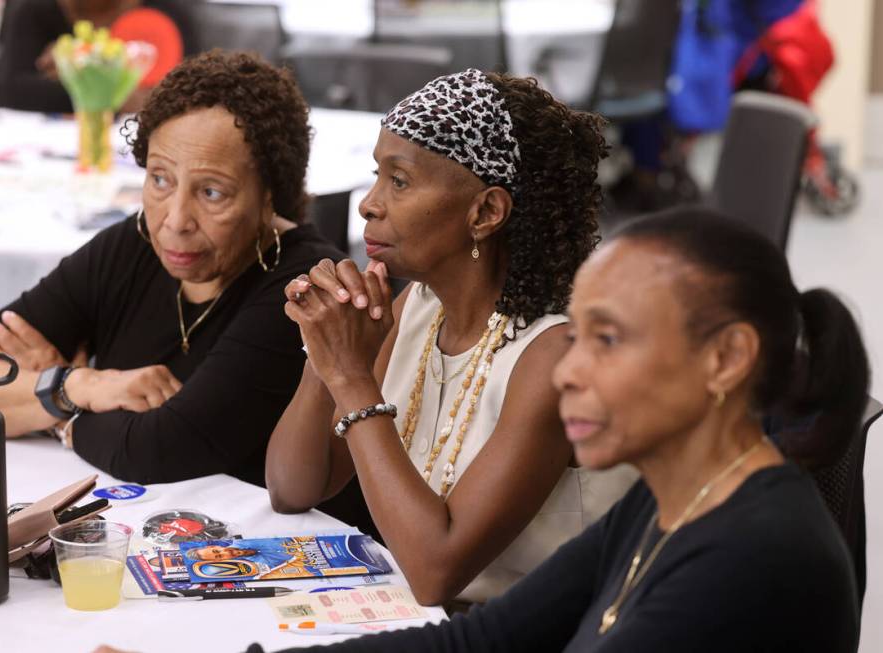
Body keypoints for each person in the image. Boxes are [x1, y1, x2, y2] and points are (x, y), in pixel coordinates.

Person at [235, 207, 865, 652]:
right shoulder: (670, 495)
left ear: (726, 359)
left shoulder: (760, 559)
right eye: (579, 334)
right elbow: (485, 639)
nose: (570, 371)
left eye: (609, 340)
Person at [265, 69, 638, 607]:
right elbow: (293, 488)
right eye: (377, 176)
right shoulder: (421, 306)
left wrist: (351, 378)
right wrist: (325, 352)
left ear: (485, 212)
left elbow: (436, 573)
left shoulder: (556, 357)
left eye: (399, 181)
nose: (369, 203)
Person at [0, 51, 373, 533]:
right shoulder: (135, 243)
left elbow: (159, 450)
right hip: (138, 534)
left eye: (211, 193)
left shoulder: (300, 287)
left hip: (267, 556)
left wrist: (53, 413)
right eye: (159, 179)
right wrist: (78, 386)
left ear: (270, 194)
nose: (175, 220)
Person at [0, 0, 198, 113]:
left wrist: (77, 71)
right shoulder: (33, 11)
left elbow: (190, 93)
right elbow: (13, 92)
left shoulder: (166, 13)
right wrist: (122, 93)